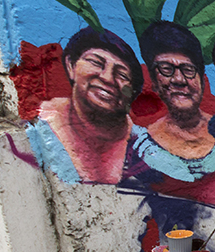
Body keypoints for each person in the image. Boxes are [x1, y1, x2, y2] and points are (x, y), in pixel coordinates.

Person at [33, 27, 144, 184]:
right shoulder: (40, 127)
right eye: (96, 62)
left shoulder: (144, 149)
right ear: (71, 65)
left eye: (122, 75)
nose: (107, 78)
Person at [132, 21, 215, 182]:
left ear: (201, 79)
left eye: (188, 69)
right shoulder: (143, 146)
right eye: (166, 68)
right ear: (154, 81)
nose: (179, 79)